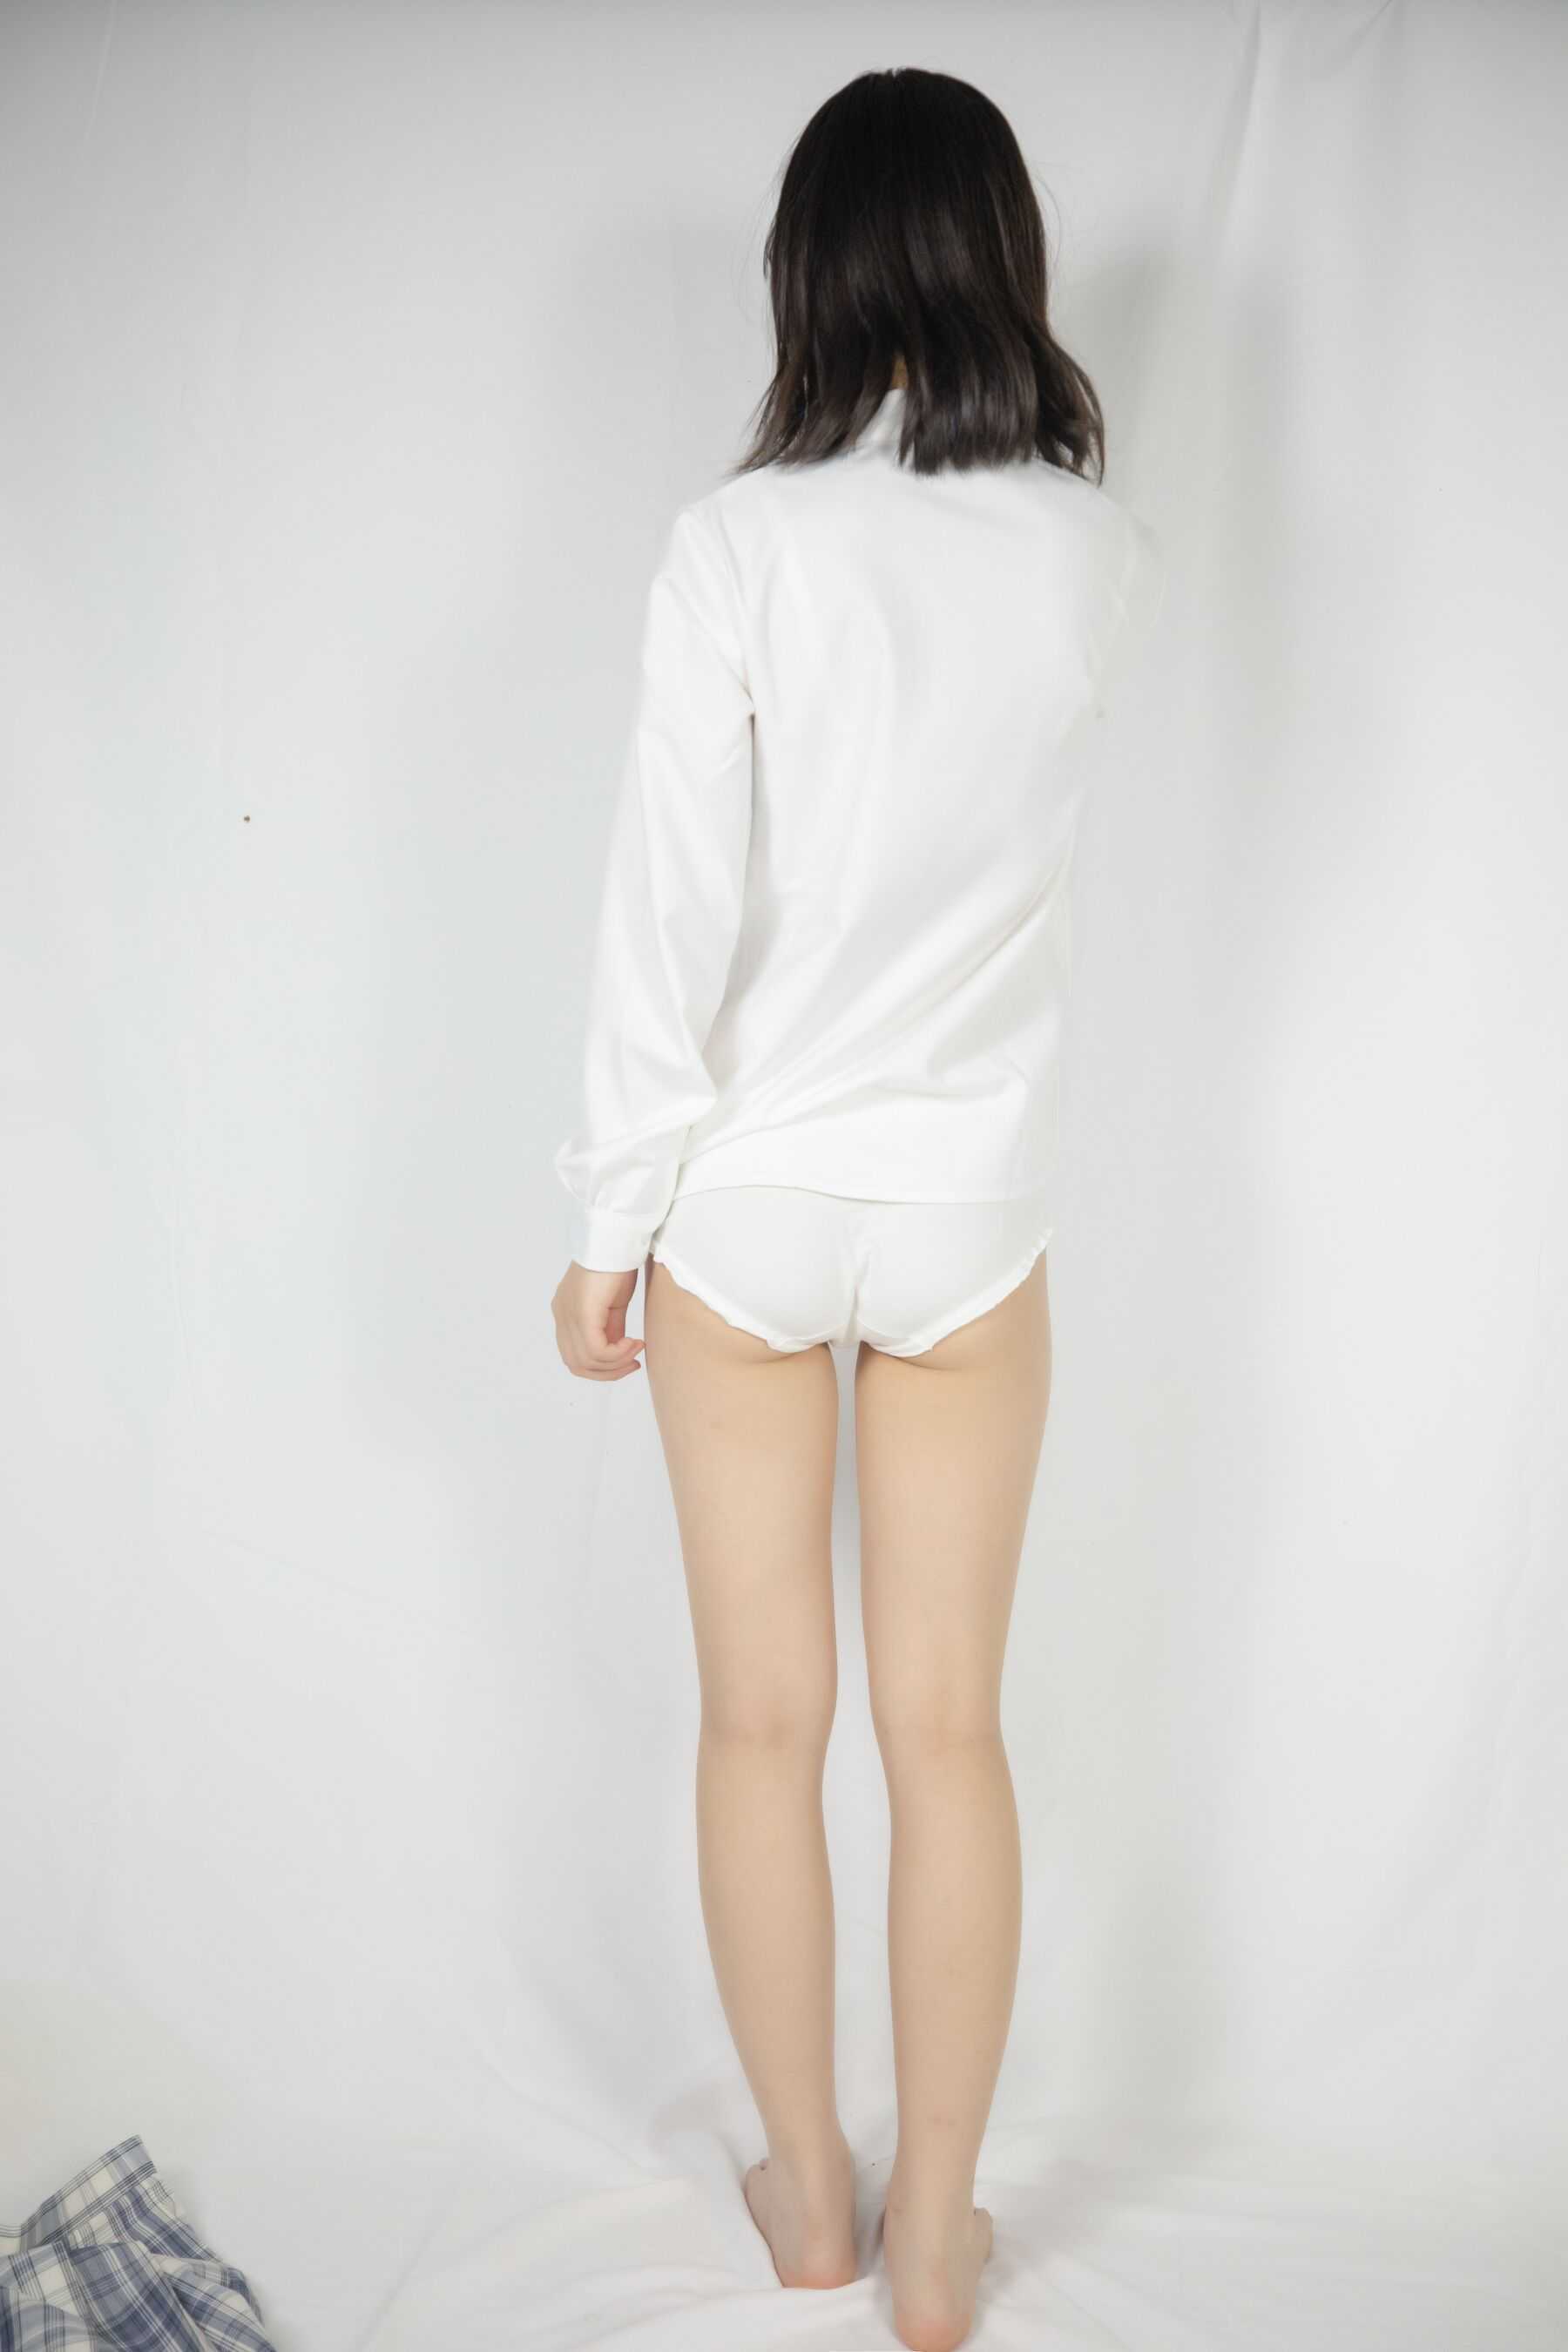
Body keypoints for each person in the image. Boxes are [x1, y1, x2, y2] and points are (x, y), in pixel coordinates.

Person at [551, 64, 1163, 2352]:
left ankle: (810, 2201)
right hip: (967, 1208)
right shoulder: (1096, 552)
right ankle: (934, 2250)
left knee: (758, 1724)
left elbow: (669, 907)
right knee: (949, 1734)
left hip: (746, 1204)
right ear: (1004, 255)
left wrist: (609, 1216)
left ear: (809, 270)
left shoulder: (736, 546)